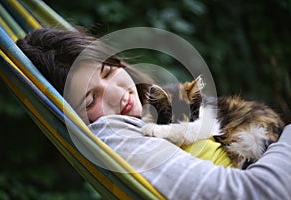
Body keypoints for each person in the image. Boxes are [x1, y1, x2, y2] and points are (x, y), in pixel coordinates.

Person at [17, 28, 291, 199]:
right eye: (90, 101)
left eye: (109, 71)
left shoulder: (154, 110)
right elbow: (260, 193)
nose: (117, 92)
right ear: (75, 120)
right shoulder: (112, 135)